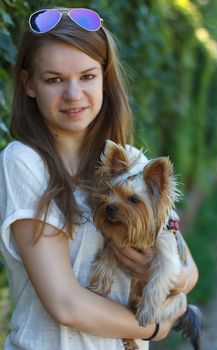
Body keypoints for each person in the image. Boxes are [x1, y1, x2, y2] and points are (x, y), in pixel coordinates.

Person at [0, 7, 198, 350]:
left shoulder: (127, 162)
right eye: (54, 79)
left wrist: (162, 272)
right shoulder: (24, 162)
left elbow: (189, 271)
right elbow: (66, 304)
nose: (73, 94)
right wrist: (153, 329)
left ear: (105, 78)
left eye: (87, 76)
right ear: (29, 84)